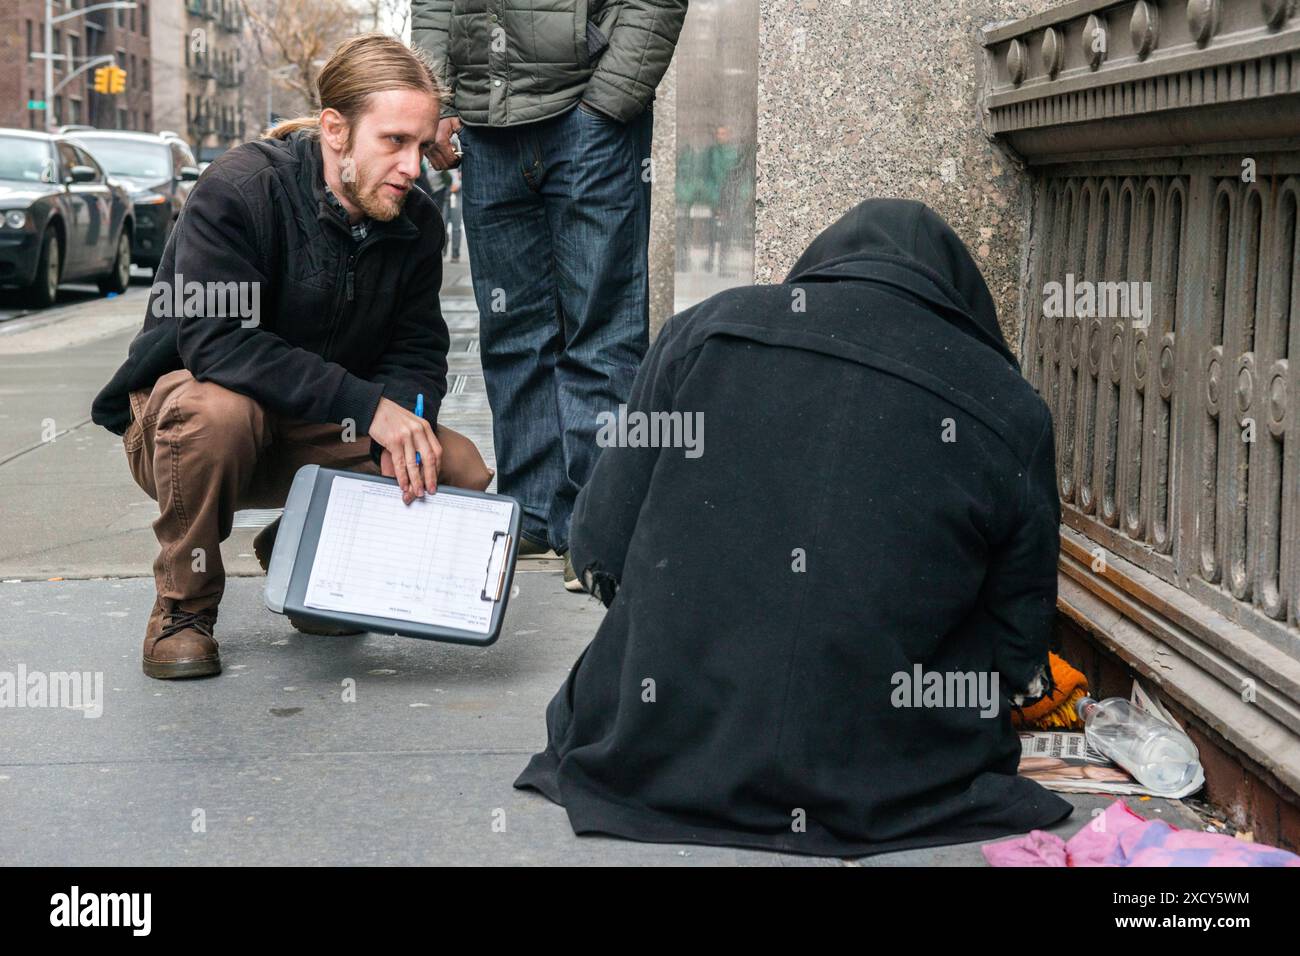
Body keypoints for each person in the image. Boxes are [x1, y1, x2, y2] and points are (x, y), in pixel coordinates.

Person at [515, 199, 1074, 857]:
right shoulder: (1009, 406)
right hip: (886, 775)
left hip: (653, 750)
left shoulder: (706, 331)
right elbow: (1019, 642)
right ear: (964, 303)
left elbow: (598, 544)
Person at [90, 34, 493, 680]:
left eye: (421, 145)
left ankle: (307, 558)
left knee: (459, 467)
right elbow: (215, 342)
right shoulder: (239, 192)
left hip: (311, 427)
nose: (415, 167)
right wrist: (369, 407)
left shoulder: (415, 223)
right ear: (336, 130)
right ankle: (182, 608)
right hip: (190, 427)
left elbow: (418, 348)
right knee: (221, 414)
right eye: (394, 141)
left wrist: (406, 419)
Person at [413, 0, 689, 590]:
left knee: (602, 329)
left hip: (588, 113)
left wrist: (610, 100)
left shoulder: (599, 109)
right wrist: (434, 101)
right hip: (486, 126)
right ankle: (533, 513)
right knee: (512, 330)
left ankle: (596, 525)